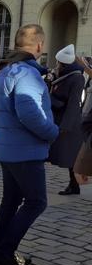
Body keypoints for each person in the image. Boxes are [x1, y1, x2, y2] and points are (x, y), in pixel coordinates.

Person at [0, 24, 58, 265]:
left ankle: (1, 250)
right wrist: (52, 133)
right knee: (36, 201)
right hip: (25, 151)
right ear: (39, 45)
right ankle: (5, 252)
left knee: (11, 200)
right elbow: (29, 113)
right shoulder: (27, 74)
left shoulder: (5, 71)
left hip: (8, 149)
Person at [48, 44, 85, 195]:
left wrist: (66, 125)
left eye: (58, 63)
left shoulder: (76, 78)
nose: (57, 65)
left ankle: (74, 184)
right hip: (61, 119)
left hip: (69, 122)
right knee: (69, 155)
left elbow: (73, 103)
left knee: (71, 156)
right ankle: (73, 184)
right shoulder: (65, 76)